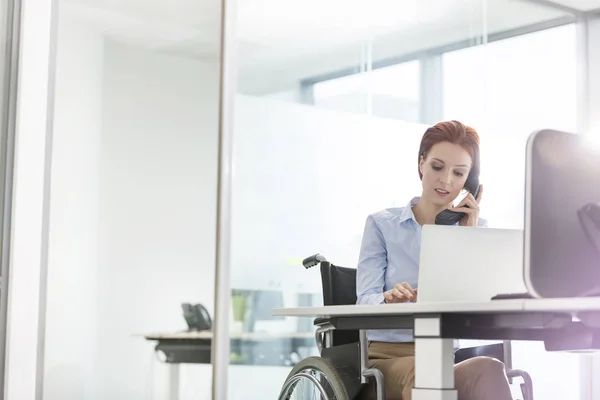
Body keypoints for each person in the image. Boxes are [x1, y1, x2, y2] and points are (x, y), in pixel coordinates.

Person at [356, 120, 513, 400]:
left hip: (443, 358)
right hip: (387, 360)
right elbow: (364, 299)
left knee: (490, 368)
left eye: (459, 173)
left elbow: (484, 300)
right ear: (421, 164)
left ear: (471, 182)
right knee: (426, 374)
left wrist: (468, 237)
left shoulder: (477, 230)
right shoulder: (382, 225)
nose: (447, 181)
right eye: (437, 167)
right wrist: (388, 298)